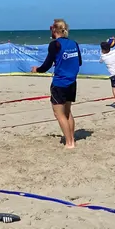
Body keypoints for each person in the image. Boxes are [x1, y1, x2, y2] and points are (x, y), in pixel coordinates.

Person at [31, 18, 82, 149]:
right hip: (72, 82)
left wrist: (37, 69)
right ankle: (72, 140)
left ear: (54, 30)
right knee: (67, 112)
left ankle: (69, 143)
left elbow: (47, 64)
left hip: (60, 83)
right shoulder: (73, 43)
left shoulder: (55, 44)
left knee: (59, 114)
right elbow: (79, 62)